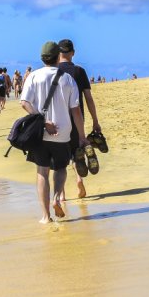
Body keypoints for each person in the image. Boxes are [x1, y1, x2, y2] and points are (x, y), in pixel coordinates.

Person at [21, 42, 88, 223]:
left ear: (42, 58)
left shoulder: (33, 76)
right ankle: (58, 197)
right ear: (58, 56)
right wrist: (81, 136)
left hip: (40, 132)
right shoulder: (67, 79)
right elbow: (76, 111)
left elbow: (24, 102)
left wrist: (42, 121)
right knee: (60, 168)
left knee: (42, 171)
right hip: (64, 132)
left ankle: (45, 217)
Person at [57, 39, 102, 200]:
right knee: (77, 152)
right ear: (73, 53)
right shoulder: (79, 71)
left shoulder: (53, 71)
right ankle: (79, 179)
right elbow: (89, 98)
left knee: (60, 158)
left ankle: (61, 195)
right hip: (77, 118)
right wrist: (95, 121)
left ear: (58, 53)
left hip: (58, 120)